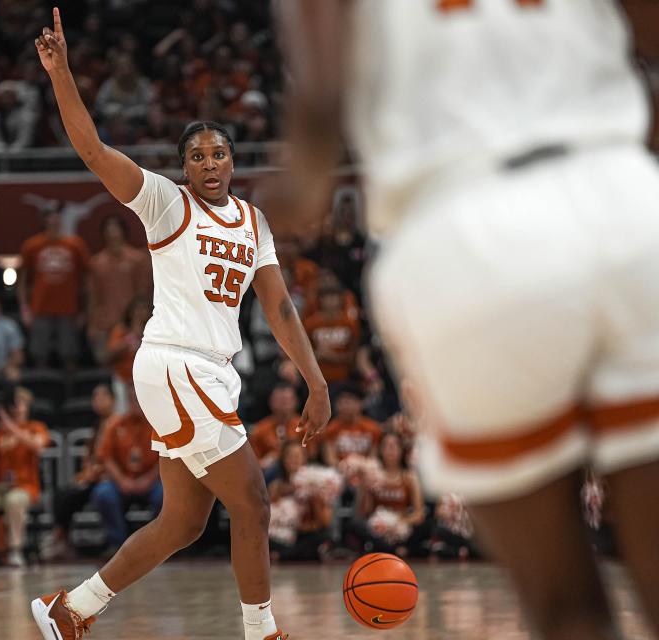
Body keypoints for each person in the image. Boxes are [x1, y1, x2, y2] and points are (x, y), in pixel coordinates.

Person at [274, 2, 659, 637]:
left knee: (566, 606)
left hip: (465, 228)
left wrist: (301, 184)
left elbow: (319, 105)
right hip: (620, 190)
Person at [30, 10, 330, 640]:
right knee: (252, 499)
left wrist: (316, 381)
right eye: (198, 155)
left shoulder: (254, 222)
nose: (210, 163)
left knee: (185, 523)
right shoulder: (166, 202)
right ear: (185, 166)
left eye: (219, 152)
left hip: (215, 373)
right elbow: (92, 148)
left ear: (232, 158)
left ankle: (72, 609)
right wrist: (61, 75)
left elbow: (279, 308)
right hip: (175, 363)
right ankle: (261, 631)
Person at [0, 387, 50, 569]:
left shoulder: (35, 427)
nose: (17, 407)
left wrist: (11, 427)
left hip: (25, 487)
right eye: (15, 403)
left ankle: (16, 550)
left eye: (21, 403)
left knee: (14, 500)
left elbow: (38, 446)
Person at [42, 384, 116, 561]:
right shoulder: (98, 425)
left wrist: (93, 474)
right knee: (62, 494)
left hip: (109, 477)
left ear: (113, 400)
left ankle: (63, 538)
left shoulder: (116, 424)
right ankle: (62, 538)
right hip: (94, 476)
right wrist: (85, 474)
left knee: (72, 496)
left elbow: (110, 458)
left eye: (102, 397)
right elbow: (90, 456)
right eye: (95, 398)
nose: (98, 401)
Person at [19, 203, 90, 370]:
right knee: (39, 355)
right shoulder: (32, 245)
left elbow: (86, 281)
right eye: (50, 216)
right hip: (40, 309)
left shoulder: (75, 245)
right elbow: (22, 281)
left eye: (57, 216)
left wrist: (85, 311)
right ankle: (41, 389)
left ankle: (71, 392)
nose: (54, 220)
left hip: (69, 309)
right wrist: (24, 309)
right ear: (44, 220)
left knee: (70, 355)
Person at [90, 387, 162, 552]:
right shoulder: (115, 424)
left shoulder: (158, 423)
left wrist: (148, 480)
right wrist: (122, 480)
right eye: (132, 399)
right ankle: (118, 544)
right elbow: (106, 457)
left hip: (152, 481)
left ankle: (157, 544)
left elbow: (166, 456)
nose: (135, 403)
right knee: (103, 494)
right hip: (122, 481)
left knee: (166, 496)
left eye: (139, 399)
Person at [349, 432, 427, 558]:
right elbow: (363, 511)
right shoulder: (372, 474)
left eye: (394, 445)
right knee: (355, 524)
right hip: (377, 526)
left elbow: (419, 513)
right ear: (380, 450)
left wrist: (399, 523)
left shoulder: (409, 476)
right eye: (386, 445)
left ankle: (386, 549)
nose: (390, 450)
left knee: (427, 525)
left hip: (401, 525)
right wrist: (364, 486)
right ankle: (395, 550)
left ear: (402, 450)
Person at [86, 216, 152, 363]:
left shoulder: (138, 259)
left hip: (130, 324)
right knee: (105, 361)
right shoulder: (97, 262)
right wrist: (92, 324)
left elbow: (143, 294)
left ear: (123, 232)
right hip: (105, 322)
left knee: (136, 362)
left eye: (116, 229)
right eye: (108, 229)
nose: (112, 233)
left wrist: (141, 321)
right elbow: (93, 296)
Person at [267, 441, 340, 562]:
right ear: (283, 460)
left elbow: (324, 522)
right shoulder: (276, 486)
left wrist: (314, 497)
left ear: (305, 459)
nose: (294, 460)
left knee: (322, 537)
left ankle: (282, 556)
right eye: (290, 456)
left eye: (298, 456)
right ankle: (287, 554)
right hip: (282, 533)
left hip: (303, 535)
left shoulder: (315, 482)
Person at [303, 284, 362, 387]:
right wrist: (317, 355)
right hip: (316, 378)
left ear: (341, 299)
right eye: (326, 298)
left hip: (344, 377)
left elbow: (354, 355)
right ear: (320, 300)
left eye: (334, 297)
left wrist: (330, 356)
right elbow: (305, 352)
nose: (330, 301)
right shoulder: (310, 324)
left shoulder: (350, 323)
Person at [105, 296, 152, 414]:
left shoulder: (153, 331)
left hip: (146, 380)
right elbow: (110, 355)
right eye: (137, 309)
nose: (139, 313)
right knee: (123, 413)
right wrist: (129, 338)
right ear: (130, 312)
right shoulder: (120, 330)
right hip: (123, 380)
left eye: (143, 309)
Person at [249, 384, 302, 473]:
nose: (284, 404)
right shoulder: (259, 430)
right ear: (271, 402)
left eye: (287, 400)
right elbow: (253, 463)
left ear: (296, 401)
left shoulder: (305, 426)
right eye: (280, 400)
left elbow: (313, 456)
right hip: (269, 475)